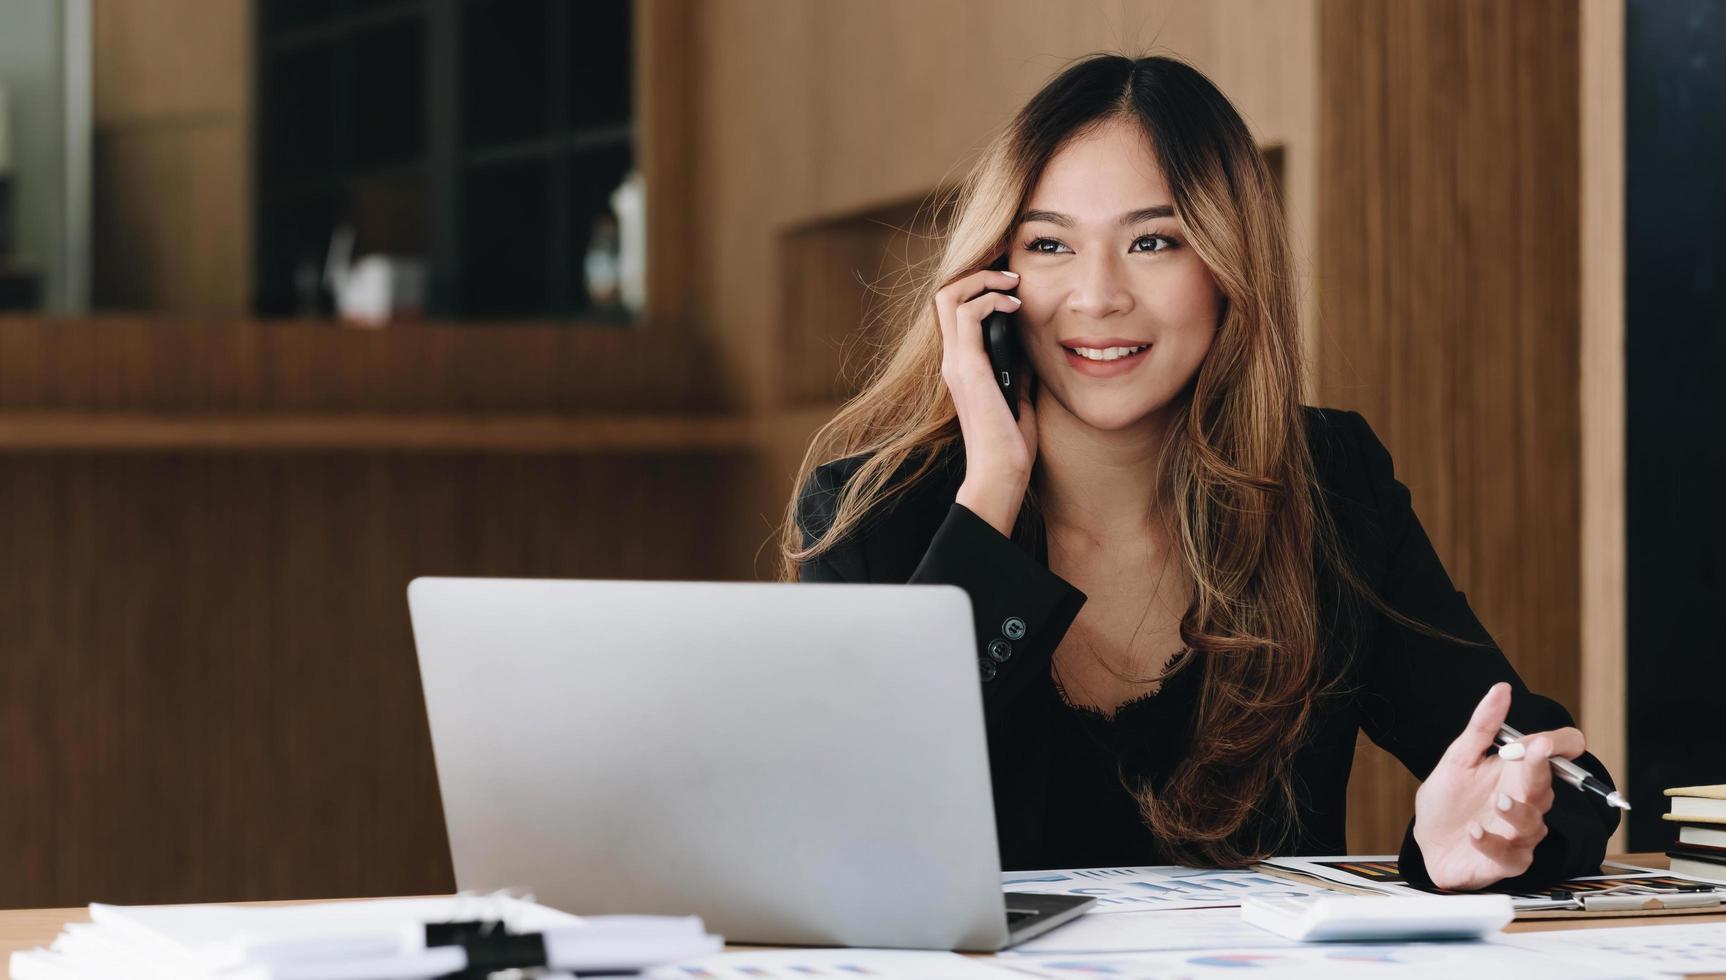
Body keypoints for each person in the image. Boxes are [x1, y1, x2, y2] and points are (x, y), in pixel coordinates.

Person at [777, 52, 1621, 889]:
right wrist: (992, 485)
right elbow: (842, 827)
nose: (1098, 296)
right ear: (993, 282)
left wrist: (1482, 840)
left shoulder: (1330, 484)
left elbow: (1556, 777)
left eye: (1153, 240)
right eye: (1049, 244)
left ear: (1228, 266)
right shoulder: (869, 514)